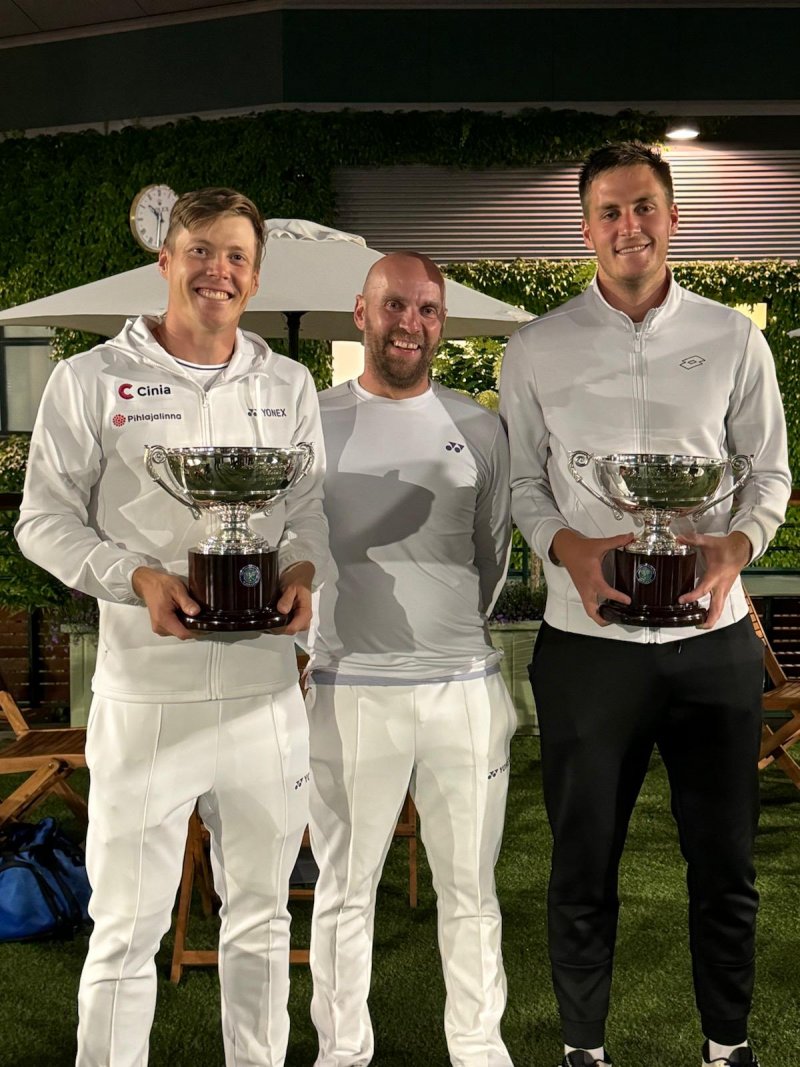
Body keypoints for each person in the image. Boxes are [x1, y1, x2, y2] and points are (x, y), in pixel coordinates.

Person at [15, 188, 328, 1067]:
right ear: (165, 259)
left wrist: (303, 569)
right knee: (125, 929)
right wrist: (135, 576)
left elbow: (309, 512)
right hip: (147, 694)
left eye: (234, 255)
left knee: (262, 920)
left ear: (255, 274)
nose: (216, 269)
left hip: (267, 694)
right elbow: (42, 520)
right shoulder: (90, 379)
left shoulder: (288, 383)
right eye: (199, 250)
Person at [499, 142, 791, 1067]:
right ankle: (585, 1050)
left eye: (644, 207)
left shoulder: (735, 338)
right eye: (610, 212)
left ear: (672, 218)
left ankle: (727, 1045)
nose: (630, 226)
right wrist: (569, 548)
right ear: (585, 229)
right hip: (586, 646)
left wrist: (734, 547)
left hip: (713, 641)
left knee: (726, 868)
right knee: (583, 863)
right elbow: (519, 483)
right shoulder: (536, 347)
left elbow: (771, 476)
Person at [306, 251, 517, 1067]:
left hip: (464, 689)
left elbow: (489, 557)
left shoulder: (480, 426)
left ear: (442, 323)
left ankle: (477, 1047)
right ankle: (342, 1051)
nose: (411, 323)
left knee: (470, 891)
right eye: (395, 305)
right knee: (344, 891)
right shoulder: (311, 420)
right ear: (361, 312)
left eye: (428, 309)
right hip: (349, 688)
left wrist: (450, 631)